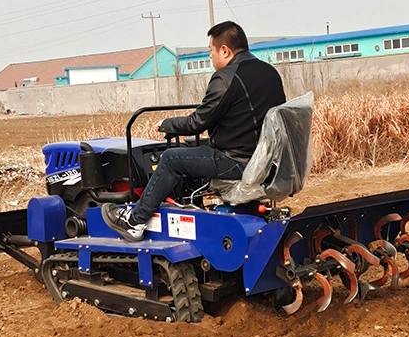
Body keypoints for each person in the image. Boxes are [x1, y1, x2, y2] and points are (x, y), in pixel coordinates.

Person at [102, 21, 286, 241]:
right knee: (196, 149)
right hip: (265, 161)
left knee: (171, 158)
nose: (210, 57)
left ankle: (135, 221)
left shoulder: (225, 77)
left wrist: (167, 124)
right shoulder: (269, 72)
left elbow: (198, 122)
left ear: (225, 50)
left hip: (238, 162)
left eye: (211, 51)